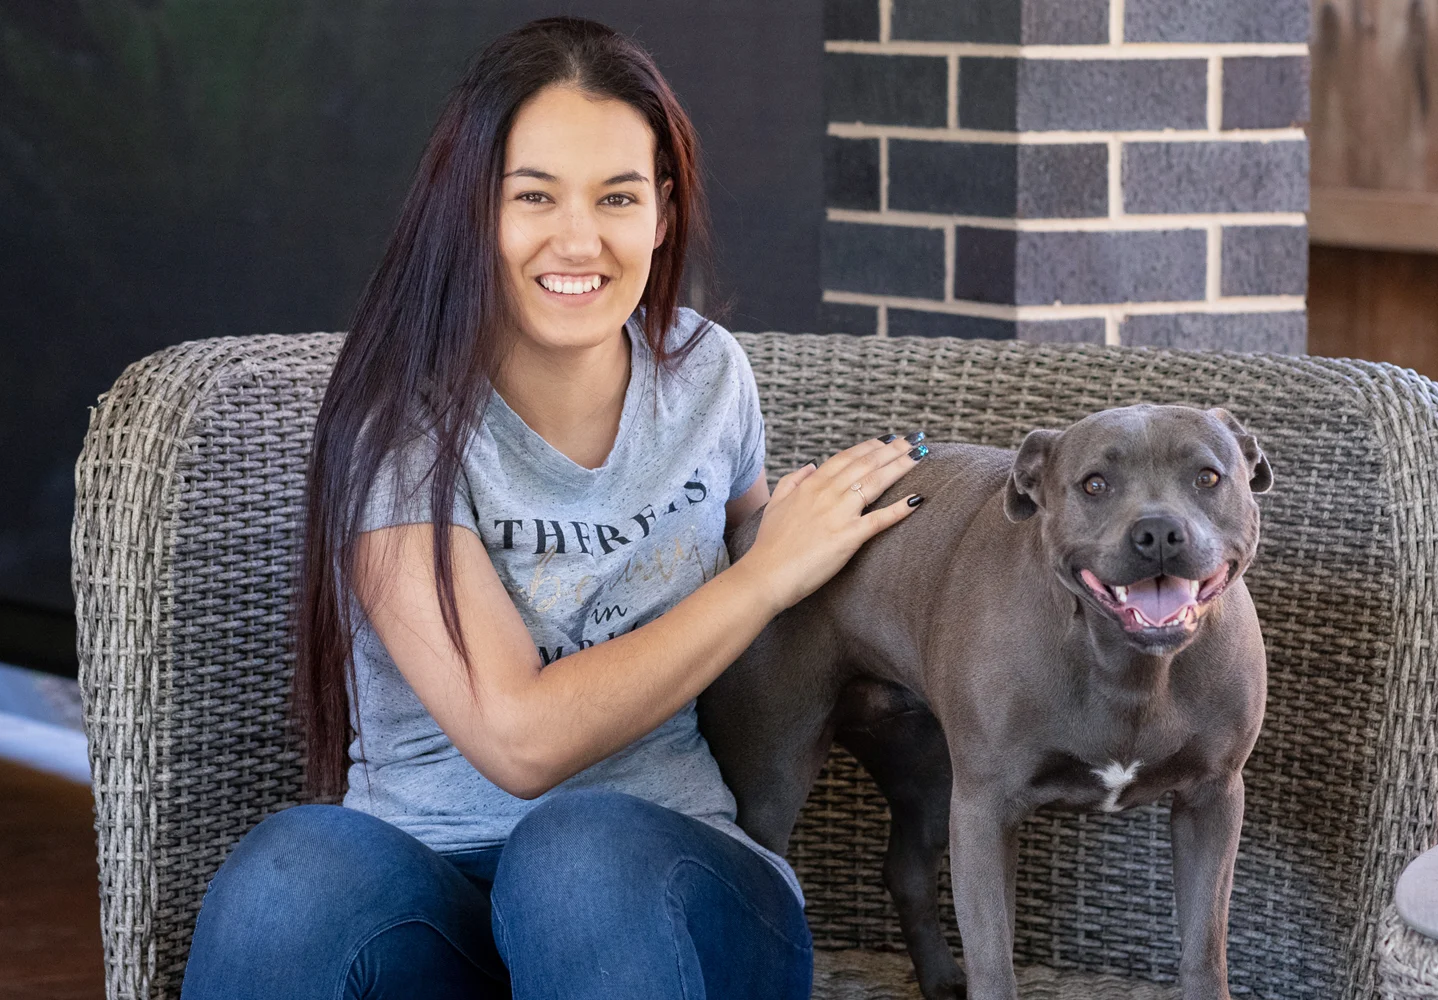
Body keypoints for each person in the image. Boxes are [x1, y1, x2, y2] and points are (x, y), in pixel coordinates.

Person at [180, 16, 927, 1000]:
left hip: (668, 888)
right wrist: (758, 578)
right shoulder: (397, 421)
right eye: (533, 195)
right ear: (471, 210)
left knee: (572, 856)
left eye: (617, 197)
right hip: (433, 896)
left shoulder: (707, 377)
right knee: (289, 874)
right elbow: (517, 741)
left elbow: (768, 632)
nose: (578, 239)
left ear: (661, 213)